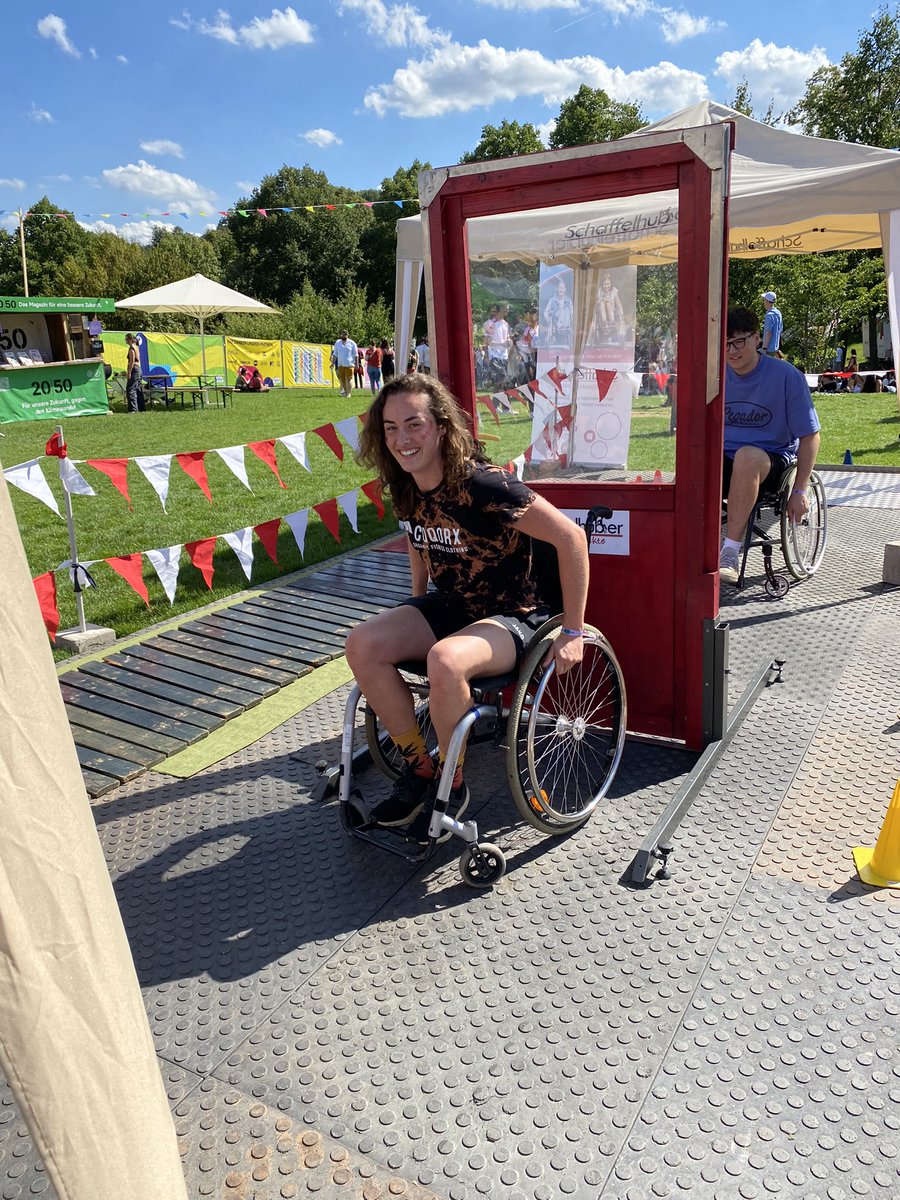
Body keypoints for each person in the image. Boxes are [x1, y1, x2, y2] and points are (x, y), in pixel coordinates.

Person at [344, 374, 590, 830]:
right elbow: (418, 540)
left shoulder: (485, 485)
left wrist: (573, 631)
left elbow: (572, 539)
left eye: (413, 424)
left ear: (440, 426)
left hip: (515, 614)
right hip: (454, 604)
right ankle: (419, 769)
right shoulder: (406, 483)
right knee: (362, 643)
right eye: (391, 428)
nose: (402, 439)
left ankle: (450, 786)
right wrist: (414, 605)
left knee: (445, 660)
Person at [719, 307, 820, 585]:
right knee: (695, 458)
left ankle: (729, 552)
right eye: (725, 343)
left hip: (772, 461)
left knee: (747, 456)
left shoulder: (786, 376)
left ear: (757, 339)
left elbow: (810, 436)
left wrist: (800, 490)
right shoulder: (714, 375)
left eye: (739, 341)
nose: (732, 350)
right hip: (724, 459)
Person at [543, 278, 573, 348]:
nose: (561, 290)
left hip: (567, 325)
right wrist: (549, 319)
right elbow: (546, 312)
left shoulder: (568, 300)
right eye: (560, 288)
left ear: (565, 289)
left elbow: (572, 313)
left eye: (562, 288)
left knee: (566, 310)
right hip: (556, 324)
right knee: (561, 311)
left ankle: (564, 325)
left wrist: (573, 325)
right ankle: (561, 325)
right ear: (557, 289)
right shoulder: (552, 300)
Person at [331, 330, 357, 397]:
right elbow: (335, 354)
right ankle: (345, 391)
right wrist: (333, 363)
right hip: (340, 364)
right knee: (342, 380)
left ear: (347, 335)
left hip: (349, 364)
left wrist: (356, 364)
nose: (342, 336)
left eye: (344, 334)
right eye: (342, 334)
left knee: (349, 379)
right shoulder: (337, 342)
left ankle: (349, 394)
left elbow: (355, 355)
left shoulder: (352, 343)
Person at [125, 333, 144, 413]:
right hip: (139, 369)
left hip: (134, 369)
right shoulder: (136, 347)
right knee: (138, 389)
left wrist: (129, 372)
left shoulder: (131, 348)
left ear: (130, 339)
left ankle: (133, 409)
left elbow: (132, 361)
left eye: (126, 339)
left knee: (130, 389)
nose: (125, 341)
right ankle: (141, 408)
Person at [760, 291, 783, 357]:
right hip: (775, 347)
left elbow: (768, 333)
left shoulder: (769, 315)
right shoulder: (778, 313)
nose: (763, 302)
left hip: (768, 349)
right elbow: (780, 329)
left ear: (767, 301)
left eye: (764, 300)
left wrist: (764, 348)